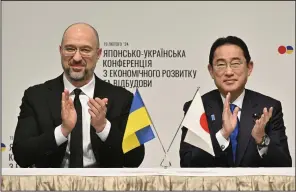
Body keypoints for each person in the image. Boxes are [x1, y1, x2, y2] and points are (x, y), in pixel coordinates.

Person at [12, 22, 145, 168]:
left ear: (98, 54)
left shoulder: (122, 98)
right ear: (60, 51)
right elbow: (22, 156)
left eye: (85, 50)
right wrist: (62, 131)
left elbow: (135, 158)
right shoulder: (36, 97)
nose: (76, 58)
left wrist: (103, 127)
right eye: (70, 49)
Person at [179, 36, 292, 167]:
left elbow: (284, 165)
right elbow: (187, 163)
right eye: (221, 64)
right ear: (211, 71)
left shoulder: (268, 108)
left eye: (235, 64)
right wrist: (222, 135)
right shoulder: (198, 107)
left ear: (249, 68)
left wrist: (262, 140)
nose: (228, 72)